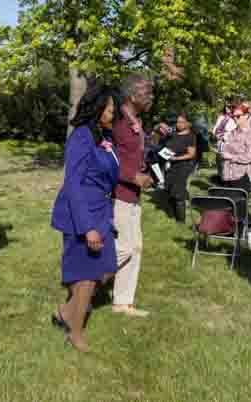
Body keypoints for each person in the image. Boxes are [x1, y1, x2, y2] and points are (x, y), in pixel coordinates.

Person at [51, 86, 120, 352]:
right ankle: (75, 333)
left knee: (107, 268)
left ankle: (65, 312)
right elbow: (74, 184)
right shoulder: (81, 137)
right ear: (97, 109)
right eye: (110, 110)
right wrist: (87, 227)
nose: (113, 114)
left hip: (101, 208)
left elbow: (109, 169)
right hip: (80, 212)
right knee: (86, 276)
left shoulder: (105, 135)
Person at [111, 74, 154, 317]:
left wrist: (143, 171)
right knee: (124, 248)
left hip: (134, 195)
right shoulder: (117, 122)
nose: (151, 96)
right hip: (119, 194)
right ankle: (86, 280)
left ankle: (123, 302)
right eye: (146, 92)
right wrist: (131, 175)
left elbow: (132, 155)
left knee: (135, 247)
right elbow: (108, 157)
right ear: (131, 95)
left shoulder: (135, 120)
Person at [164, 112, 197, 223]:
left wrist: (176, 159)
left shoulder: (190, 137)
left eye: (181, 122)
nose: (178, 124)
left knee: (178, 193)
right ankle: (173, 215)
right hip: (170, 165)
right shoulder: (174, 134)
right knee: (169, 190)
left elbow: (191, 154)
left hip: (182, 166)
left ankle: (180, 220)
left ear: (188, 124)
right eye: (177, 122)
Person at [220, 104, 251, 193]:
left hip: (241, 175)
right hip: (227, 174)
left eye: (238, 116)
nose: (235, 118)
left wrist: (231, 157)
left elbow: (250, 157)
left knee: (238, 204)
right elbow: (225, 151)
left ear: (246, 116)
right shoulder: (231, 133)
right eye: (233, 116)